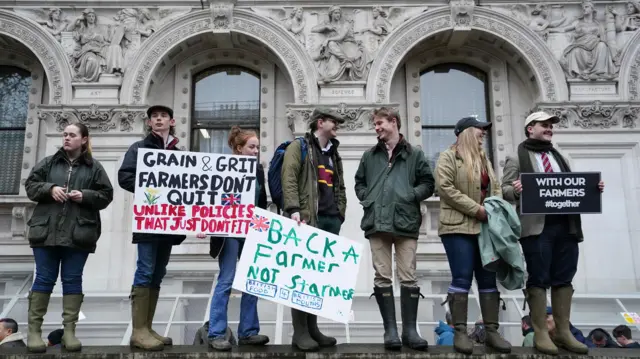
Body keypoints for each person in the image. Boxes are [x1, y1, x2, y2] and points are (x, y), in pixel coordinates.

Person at [501, 111, 605, 355]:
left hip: (566, 226)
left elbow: (573, 187)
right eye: (544, 125)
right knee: (538, 277)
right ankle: (540, 332)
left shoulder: (560, 157)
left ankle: (563, 331)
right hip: (537, 228)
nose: (549, 129)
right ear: (530, 128)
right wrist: (515, 190)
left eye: (551, 126)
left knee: (565, 276)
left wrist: (592, 188)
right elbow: (503, 191)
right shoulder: (516, 158)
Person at [24, 123, 113, 353]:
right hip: (46, 232)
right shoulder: (49, 162)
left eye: (72, 135)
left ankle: (69, 332)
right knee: (44, 279)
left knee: (72, 280)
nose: (66, 138)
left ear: (84, 140)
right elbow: (31, 186)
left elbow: (106, 195)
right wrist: (49, 188)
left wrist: (85, 196)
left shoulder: (94, 168)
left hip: (78, 234)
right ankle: (34, 332)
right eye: (64, 134)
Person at [354, 107, 434, 351]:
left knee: (408, 274)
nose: (376, 128)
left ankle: (410, 331)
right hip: (377, 222)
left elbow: (428, 183)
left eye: (379, 123)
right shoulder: (369, 156)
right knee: (382, 275)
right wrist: (368, 197)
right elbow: (359, 183)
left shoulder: (415, 154)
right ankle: (390, 331)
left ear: (393, 122)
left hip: (406, 221)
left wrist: (411, 195)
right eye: (375, 125)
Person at [435, 117, 511, 354]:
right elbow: (445, 189)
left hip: (485, 228)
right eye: (480, 129)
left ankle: (491, 331)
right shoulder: (448, 157)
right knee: (462, 278)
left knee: (488, 278)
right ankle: (459, 332)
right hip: (457, 228)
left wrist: (493, 207)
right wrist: (476, 209)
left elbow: (496, 187)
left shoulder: (483, 158)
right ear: (465, 132)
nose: (483, 133)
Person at [118, 105, 187, 351]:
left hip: (169, 223)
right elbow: (124, 177)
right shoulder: (139, 148)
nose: (158, 120)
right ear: (149, 123)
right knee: (145, 270)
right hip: (149, 220)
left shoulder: (179, 153)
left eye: (163, 116)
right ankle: (138, 331)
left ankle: (147, 327)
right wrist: (151, 188)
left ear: (172, 121)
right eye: (154, 117)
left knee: (158, 272)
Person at [195, 126, 269, 351]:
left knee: (251, 281)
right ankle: (217, 332)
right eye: (251, 147)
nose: (256, 151)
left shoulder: (257, 170)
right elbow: (209, 197)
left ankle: (248, 332)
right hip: (228, 232)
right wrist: (203, 223)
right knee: (226, 280)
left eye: (257, 147)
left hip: (250, 231)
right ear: (239, 148)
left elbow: (262, 202)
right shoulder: (222, 168)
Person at [281, 107, 347, 352]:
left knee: (318, 278)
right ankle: (300, 332)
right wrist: (293, 208)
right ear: (320, 123)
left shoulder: (333, 152)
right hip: (306, 219)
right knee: (302, 276)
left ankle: (313, 328)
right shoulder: (299, 147)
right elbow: (288, 177)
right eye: (334, 121)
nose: (337, 125)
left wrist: (341, 212)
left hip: (331, 220)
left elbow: (339, 185)